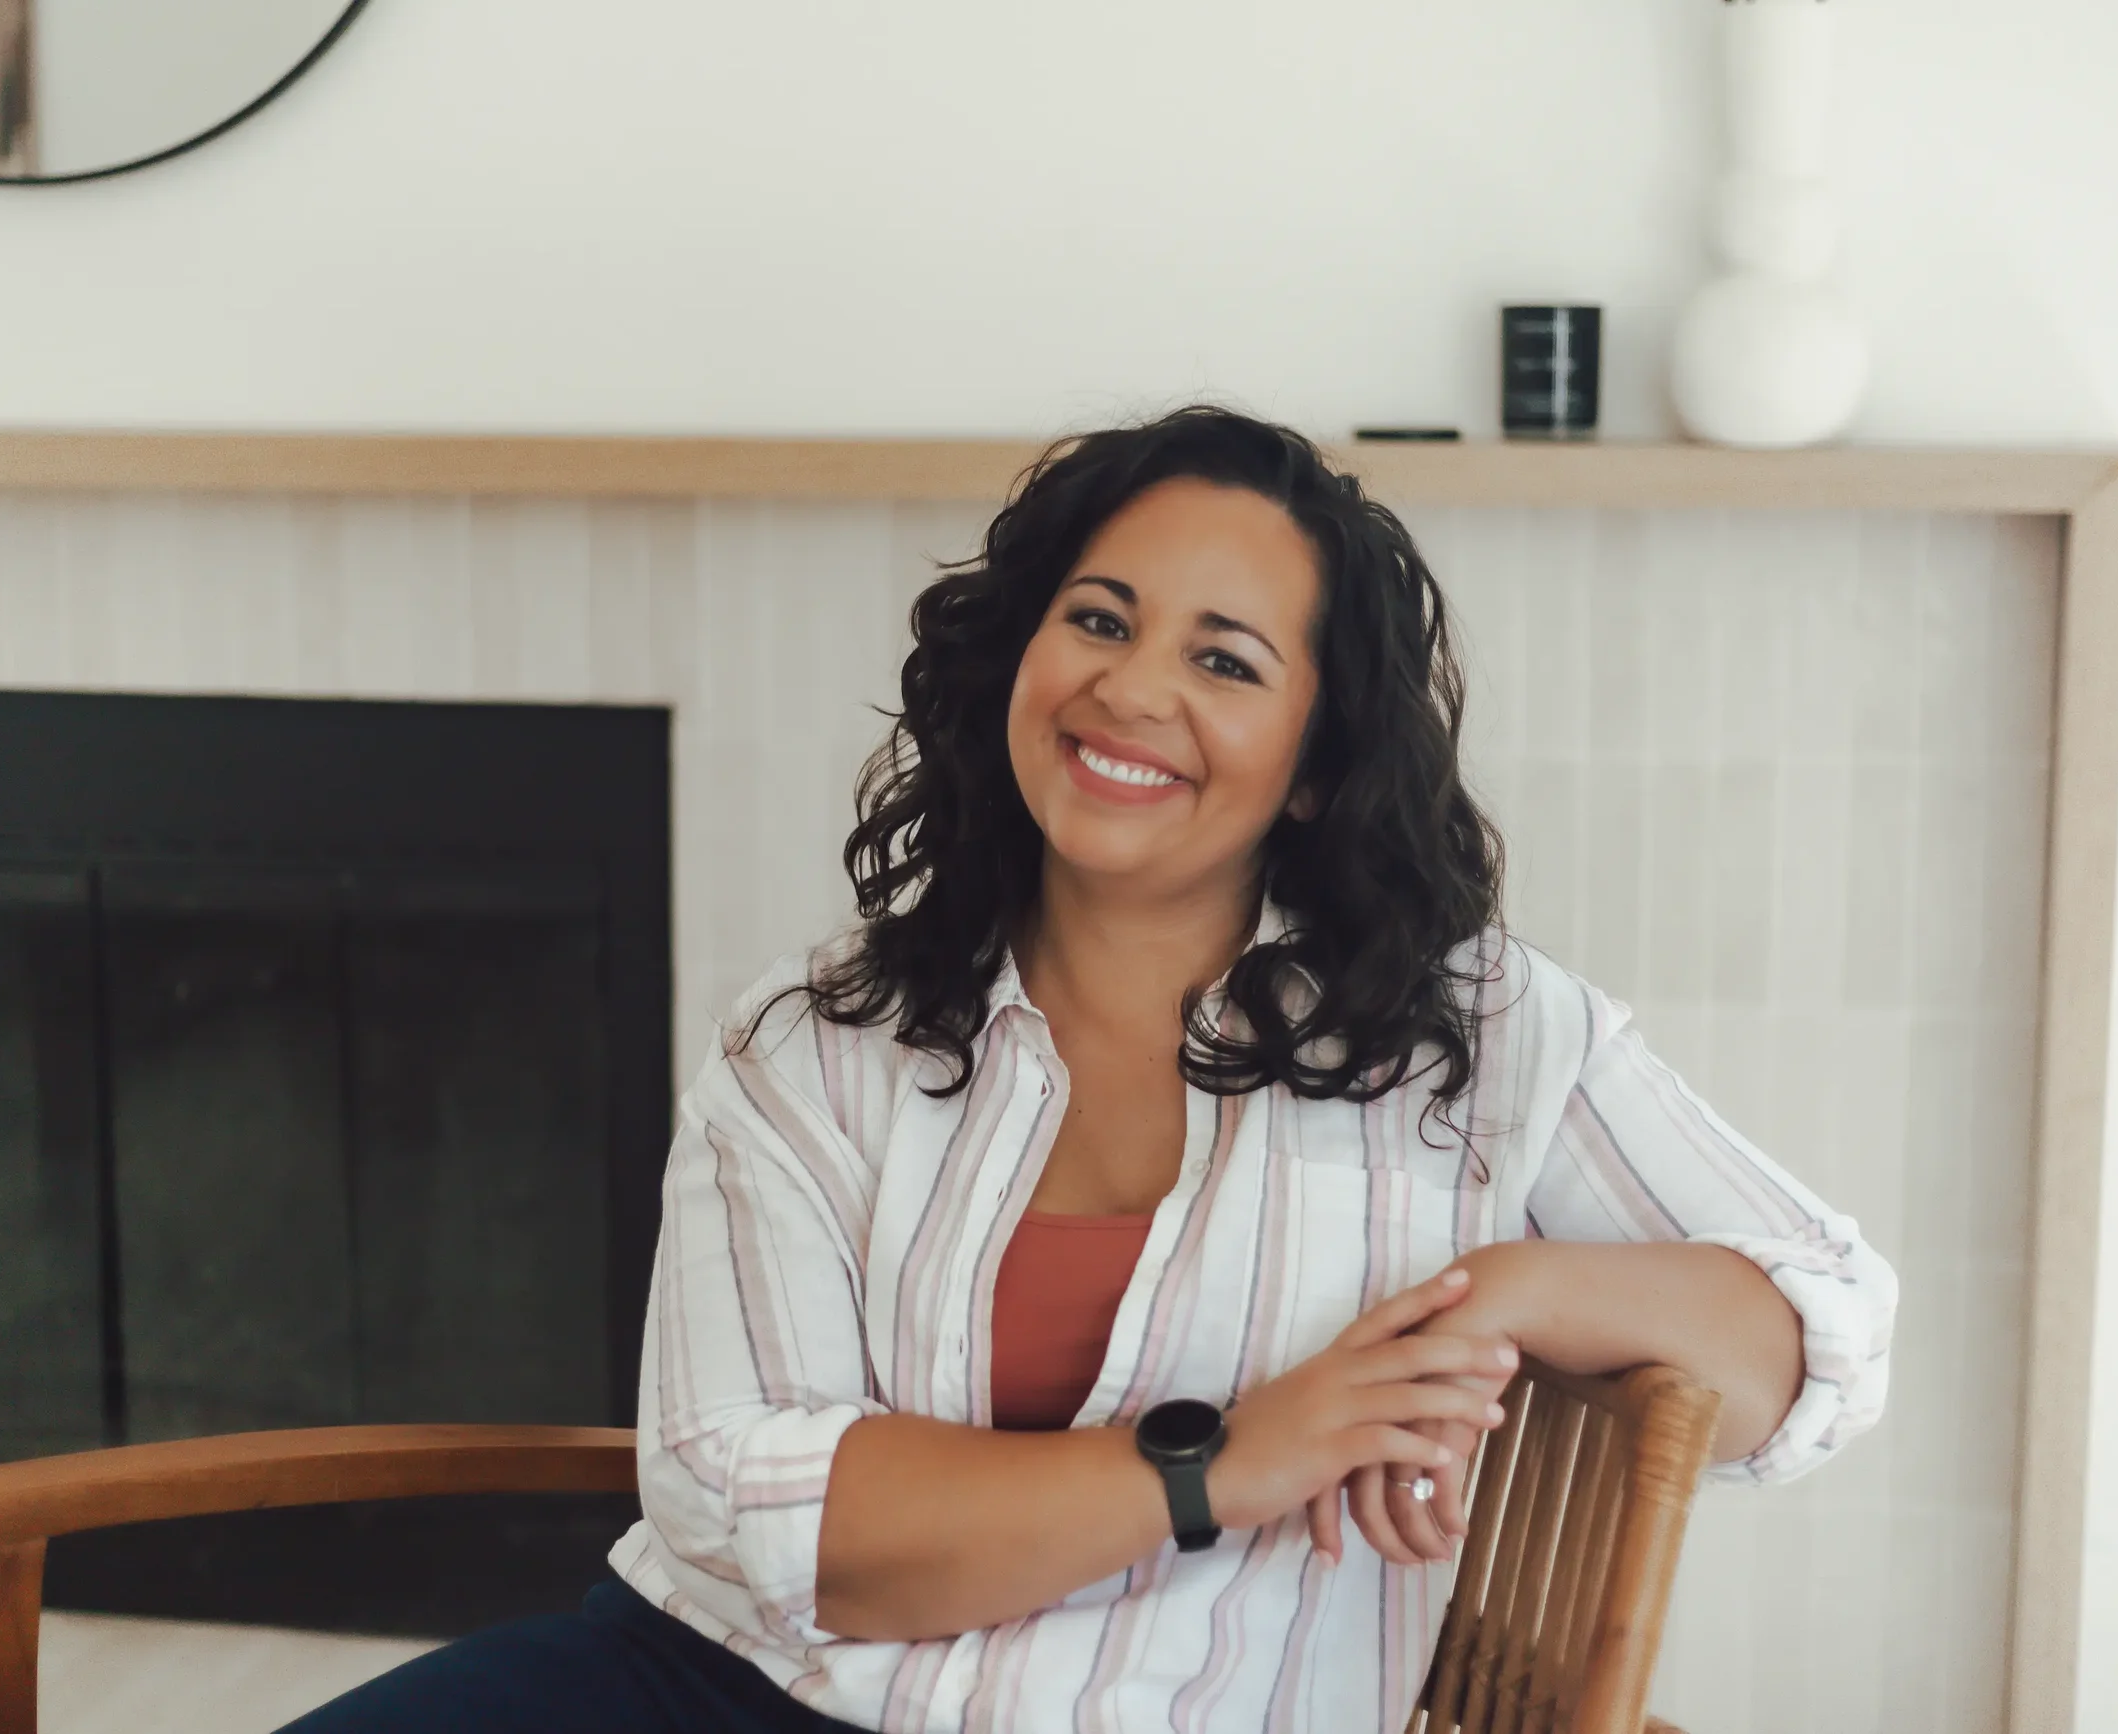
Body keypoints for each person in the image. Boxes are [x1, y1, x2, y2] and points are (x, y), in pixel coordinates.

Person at [282, 406, 1896, 1734]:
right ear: (1020, 661)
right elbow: (754, 1507)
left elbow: (1815, 1326)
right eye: (1101, 620)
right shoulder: (815, 1040)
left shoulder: (1472, 1034)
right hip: (712, 1688)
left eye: (1228, 660)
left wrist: (1494, 1293)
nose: (1133, 690)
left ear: (1323, 765)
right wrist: (1229, 1461)